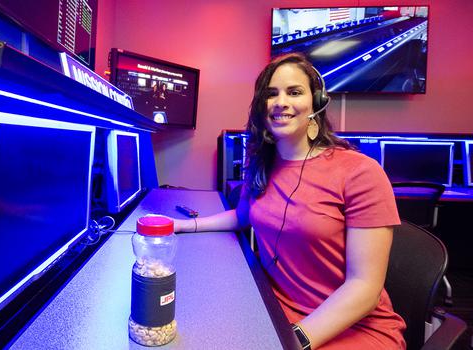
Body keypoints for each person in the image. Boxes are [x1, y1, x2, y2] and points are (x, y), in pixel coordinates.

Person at [174, 53, 406, 349]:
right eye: (271, 94)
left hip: (350, 327)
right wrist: (181, 226)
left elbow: (364, 288)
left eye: (294, 92)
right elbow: (243, 215)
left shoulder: (360, 172)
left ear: (316, 102)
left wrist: (295, 339)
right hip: (278, 311)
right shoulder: (263, 162)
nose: (280, 102)